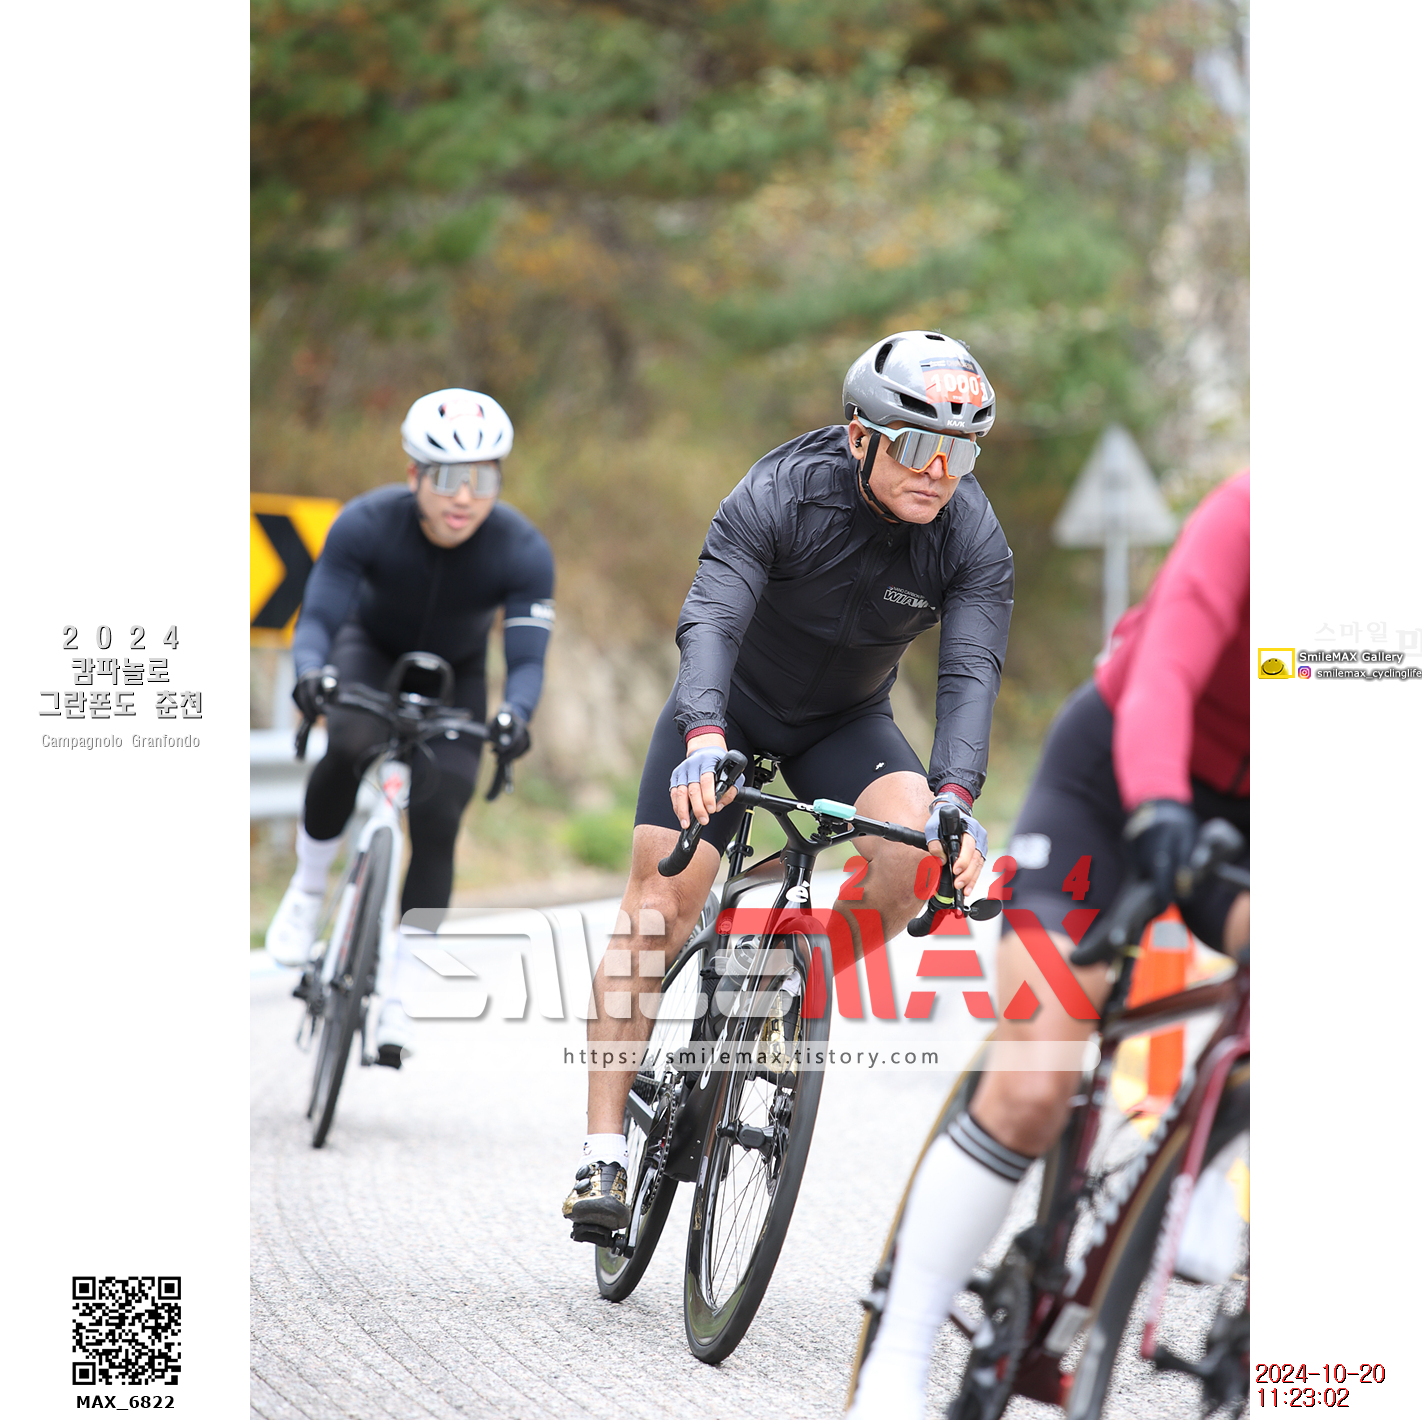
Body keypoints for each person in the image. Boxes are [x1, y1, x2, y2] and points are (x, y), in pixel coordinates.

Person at [562, 331, 1015, 1233]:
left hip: (845, 723)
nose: (939, 472)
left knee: (915, 859)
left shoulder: (971, 537)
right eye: (919, 444)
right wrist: (702, 736)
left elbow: (970, 675)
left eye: (961, 451)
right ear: (860, 437)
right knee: (658, 909)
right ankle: (601, 1155)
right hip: (726, 711)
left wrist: (956, 800)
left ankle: (779, 987)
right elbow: (712, 620)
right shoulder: (781, 492)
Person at [847, 469, 1250, 1419]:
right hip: (1117, 780)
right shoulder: (1251, 514)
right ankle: (897, 1360)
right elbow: (1165, 674)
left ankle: (1216, 1168)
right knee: (1035, 1078)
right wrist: (1159, 806)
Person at [263, 388, 554, 1064]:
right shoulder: (365, 522)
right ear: (414, 475)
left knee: (442, 809)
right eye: (447, 477)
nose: (464, 498)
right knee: (349, 745)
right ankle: (308, 889)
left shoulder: (523, 549)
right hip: (368, 653)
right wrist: (311, 671)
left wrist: (515, 714)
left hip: (457, 674)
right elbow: (319, 618)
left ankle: (403, 989)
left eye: (482, 479)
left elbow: (527, 660)